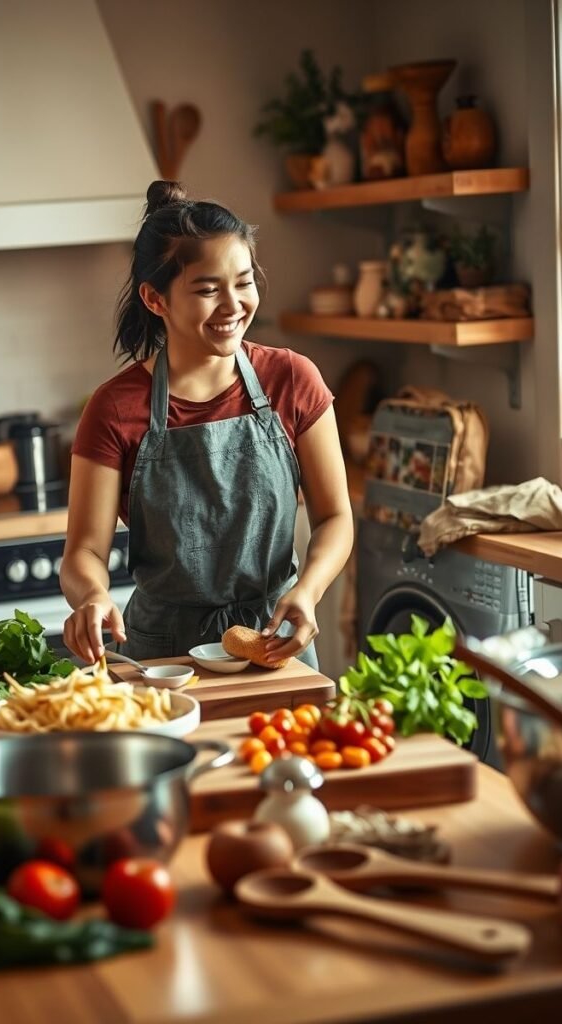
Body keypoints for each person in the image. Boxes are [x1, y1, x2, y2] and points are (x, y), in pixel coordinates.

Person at [60, 180, 353, 669]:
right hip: (164, 658)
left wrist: (308, 590)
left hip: (274, 643)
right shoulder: (114, 408)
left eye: (243, 282)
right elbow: (83, 552)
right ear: (155, 300)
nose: (233, 305)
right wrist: (91, 596)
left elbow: (335, 518)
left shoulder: (293, 379)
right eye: (207, 290)